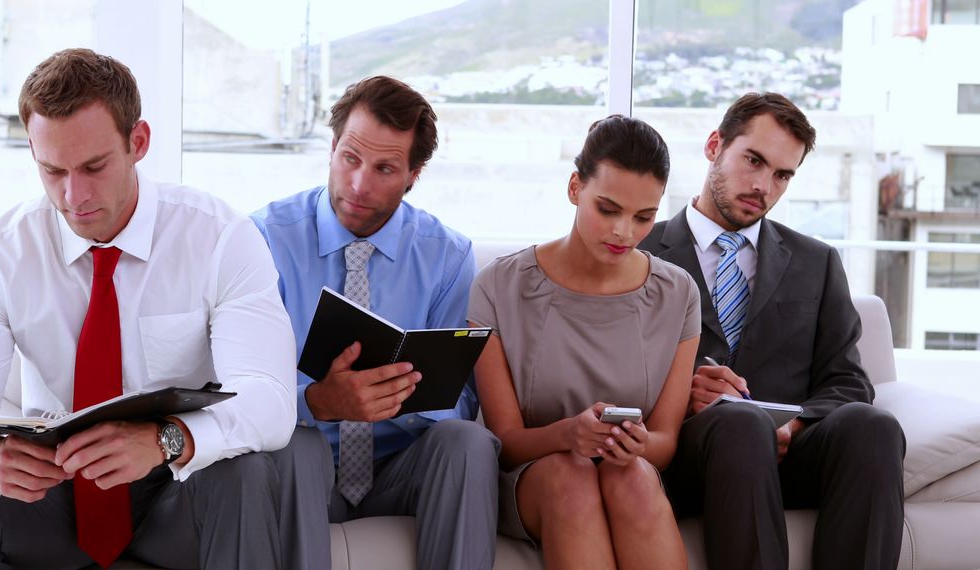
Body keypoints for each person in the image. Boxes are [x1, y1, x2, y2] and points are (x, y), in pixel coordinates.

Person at [0, 48, 297, 569]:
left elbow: (271, 403)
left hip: (179, 488)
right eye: (53, 171)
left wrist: (164, 439)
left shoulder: (219, 238)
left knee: (245, 476)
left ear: (138, 143)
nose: (74, 195)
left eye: (94, 166)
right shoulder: (1, 254)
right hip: (57, 494)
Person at [639, 92, 906, 569]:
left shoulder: (817, 262)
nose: (763, 185)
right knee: (742, 425)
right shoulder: (640, 251)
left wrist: (796, 424)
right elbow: (599, 370)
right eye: (753, 161)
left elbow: (848, 381)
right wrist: (681, 394)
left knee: (875, 426)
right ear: (714, 145)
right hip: (684, 458)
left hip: (789, 457)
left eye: (782, 174)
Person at [251, 75, 500, 570]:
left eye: (385, 168)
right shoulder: (263, 239)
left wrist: (398, 400)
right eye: (350, 158)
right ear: (332, 147)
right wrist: (318, 401)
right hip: (305, 463)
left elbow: (461, 397)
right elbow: (241, 383)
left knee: (468, 441)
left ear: (414, 174)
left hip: (399, 467)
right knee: (296, 447)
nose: (360, 184)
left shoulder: (448, 255)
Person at [469, 115, 699, 570]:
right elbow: (506, 441)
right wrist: (568, 435)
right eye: (608, 209)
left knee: (630, 476)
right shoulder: (499, 285)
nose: (624, 233)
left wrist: (636, 446)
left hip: (629, 474)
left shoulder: (678, 293)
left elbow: (666, 440)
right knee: (571, 473)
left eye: (644, 217)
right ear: (575, 188)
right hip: (535, 475)